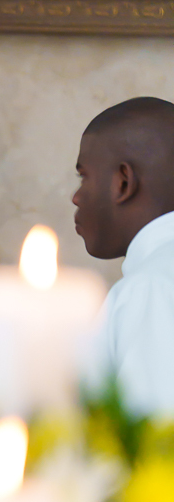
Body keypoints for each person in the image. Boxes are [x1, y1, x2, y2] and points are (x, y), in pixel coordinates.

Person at [73, 95, 174, 414]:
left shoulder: (150, 288)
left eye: (84, 176)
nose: (76, 197)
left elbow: (154, 433)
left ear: (123, 182)